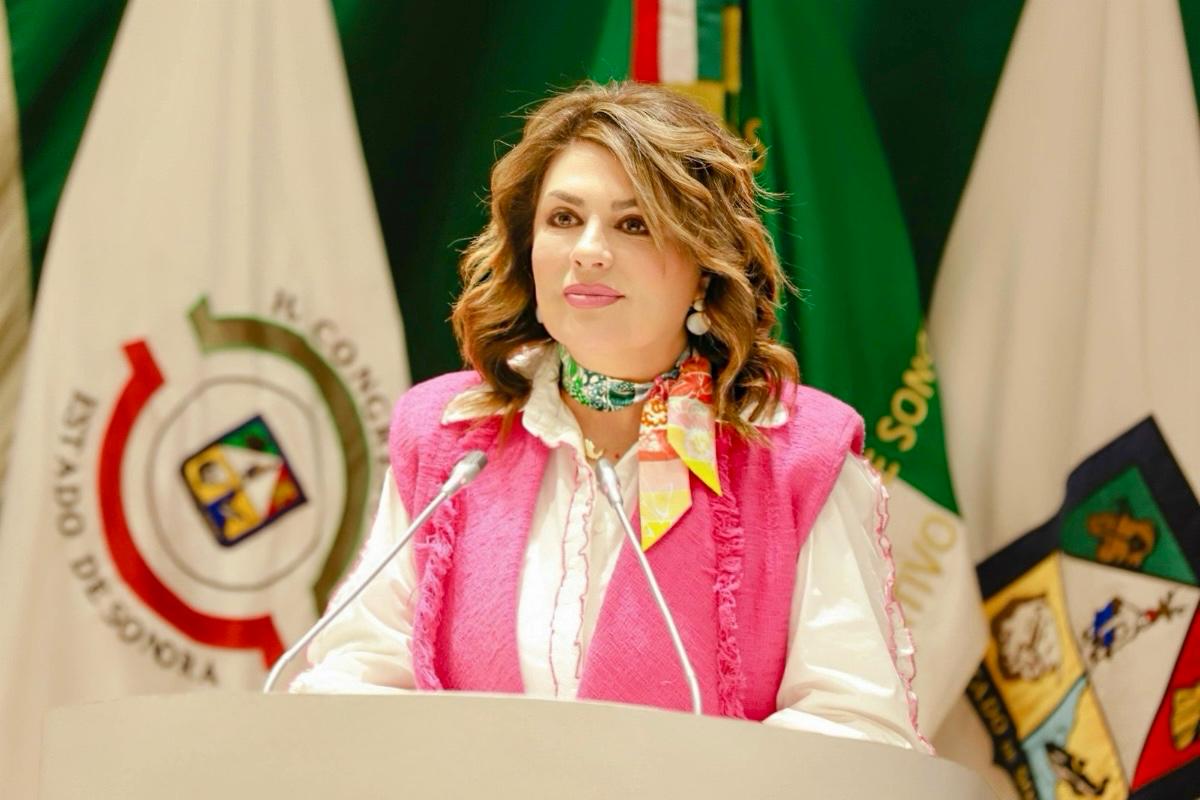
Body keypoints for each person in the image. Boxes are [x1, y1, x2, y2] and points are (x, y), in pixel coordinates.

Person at [291, 81, 929, 752]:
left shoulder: (799, 458)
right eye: (564, 218)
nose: (588, 251)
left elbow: (855, 729)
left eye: (634, 224)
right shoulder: (450, 437)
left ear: (705, 267)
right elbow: (356, 677)